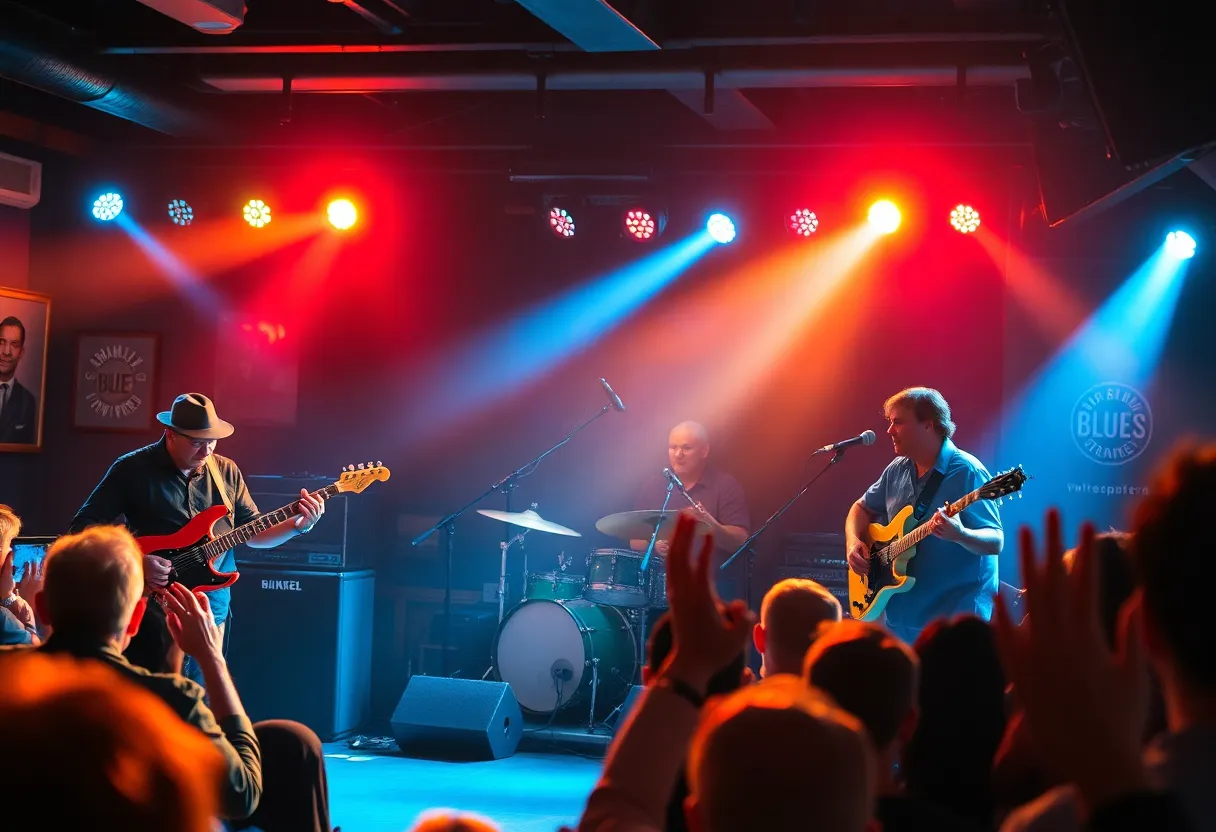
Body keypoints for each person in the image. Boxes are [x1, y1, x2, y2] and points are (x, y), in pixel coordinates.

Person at [68, 392, 324, 685]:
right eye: (196, 442)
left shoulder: (226, 470)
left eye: (211, 441)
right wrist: (137, 562)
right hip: (151, 603)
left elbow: (253, 532)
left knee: (204, 695)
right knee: (152, 694)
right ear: (171, 435)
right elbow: (82, 530)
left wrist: (299, 525)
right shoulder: (132, 469)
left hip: (210, 603)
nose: (206, 451)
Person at [845, 387, 1003, 645]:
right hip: (902, 619)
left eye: (898, 422)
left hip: (954, 626)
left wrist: (960, 534)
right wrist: (853, 542)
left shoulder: (968, 472)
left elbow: (996, 540)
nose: (889, 431)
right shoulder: (896, 469)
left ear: (928, 425)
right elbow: (860, 508)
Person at [631, 420, 750, 599]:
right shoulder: (653, 486)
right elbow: (634, 540)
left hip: (711, 590)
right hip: (659, 590)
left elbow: (740, 540)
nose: (678, 454)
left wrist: (710, 524)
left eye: (686, 448)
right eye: (673, 447)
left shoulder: (725, 485)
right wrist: (654, 544)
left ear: (704, 451)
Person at [0, 315, 38, 444]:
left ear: (21, 352)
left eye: (14, 345)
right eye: (1, 342)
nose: (6, 351)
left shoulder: (28, 402)